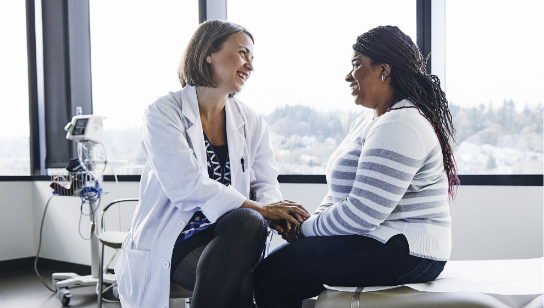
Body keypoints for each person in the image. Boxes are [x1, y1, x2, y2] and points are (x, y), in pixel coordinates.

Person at [253, 25, 460, 308]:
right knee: (275, 268)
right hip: (379, 238)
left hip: (410, 250)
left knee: (272, 275)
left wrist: (303, 231)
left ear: (384, 70)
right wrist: (306, 226)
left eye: (356, 65)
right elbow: (339, 194)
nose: (348, 75)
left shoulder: (401, 124)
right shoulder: (368, 122)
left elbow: (362, 213)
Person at [114, 20, 309, 308]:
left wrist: (275, 212)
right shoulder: (164, 113)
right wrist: (261, 209)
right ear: (208, 52)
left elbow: (266, 183)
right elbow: (185, 185)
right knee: (238, 285)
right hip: (177, 236)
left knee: (247, 222)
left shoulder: (251, 121)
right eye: (243, 53)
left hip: (234, 234)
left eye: (252, 58)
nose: (250, 66)